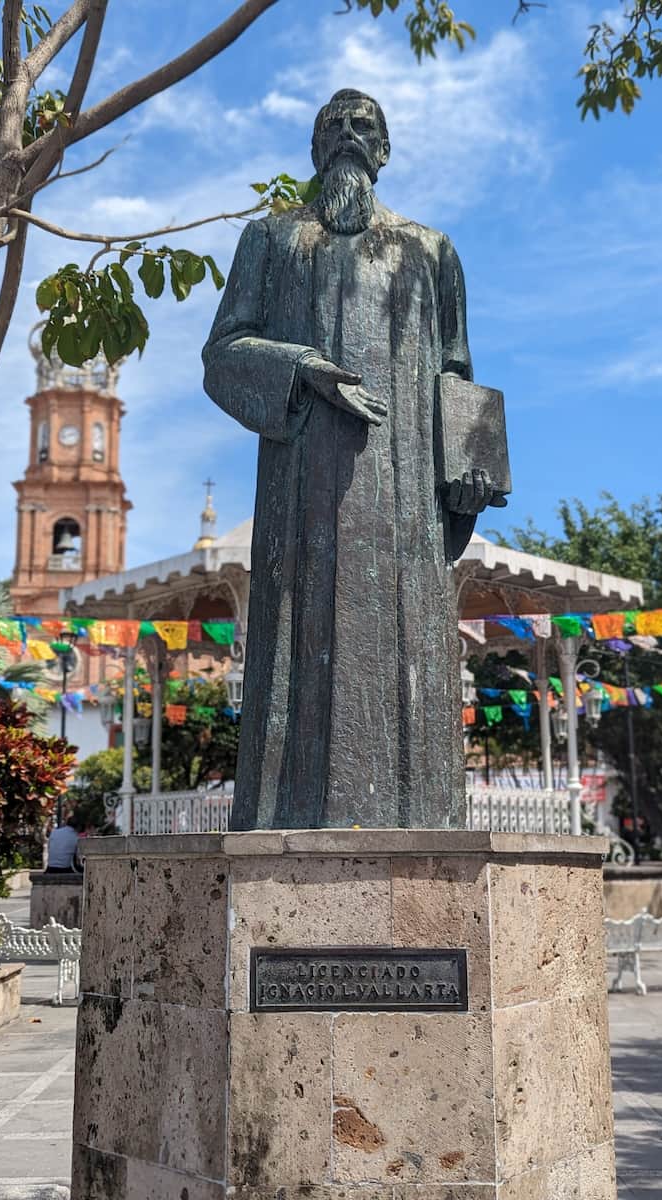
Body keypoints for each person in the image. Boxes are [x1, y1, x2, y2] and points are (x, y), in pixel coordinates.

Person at [203, 89, 505, 830]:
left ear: (384, 151)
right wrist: (303, 367)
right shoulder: (270, 241)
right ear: (315, 152)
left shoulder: (431, 251)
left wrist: (473, 464)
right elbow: (223, 355)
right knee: (298, 650)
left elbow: (458, 372)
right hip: (300, 490)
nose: (346, 135)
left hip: (407, 501)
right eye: (331, 127)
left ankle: (421, 820)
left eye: (362, 126)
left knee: (408, 657)